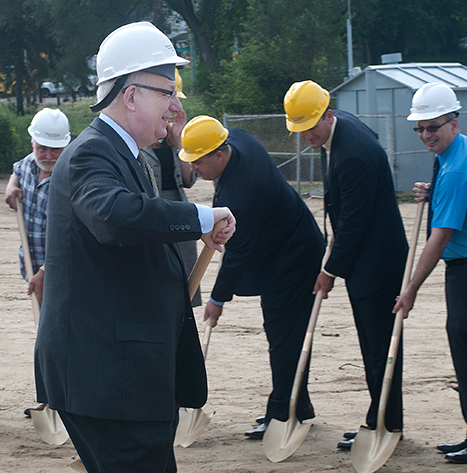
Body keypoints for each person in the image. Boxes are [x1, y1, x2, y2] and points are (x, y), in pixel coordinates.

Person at [33, 22, 235, 473]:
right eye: (167, 92)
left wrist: (189, 228)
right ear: (131, 95)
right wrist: (200, 217)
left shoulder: (124, 154)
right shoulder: (91, 153)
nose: (175, 106)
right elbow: (113, 216)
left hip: (122, 376)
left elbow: (134, 226)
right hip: (109, 380)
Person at [178, 115, 325, 439]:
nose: (195, 170)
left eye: (199, 162)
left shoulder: (242, 193)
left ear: (219, 155)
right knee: (284, 335)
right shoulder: (239, 139)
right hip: (286, 243)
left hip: (292, 259)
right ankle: (297, 407)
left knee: (284, 336)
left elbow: (237, 255)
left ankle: (282, 413)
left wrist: (217, 300)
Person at [283, 80, 408, 451]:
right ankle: (381, 418)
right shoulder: (341, 129)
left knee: (379, 346)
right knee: (373, 345)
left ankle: (386, 423)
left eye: (310, 126)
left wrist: (329, 271)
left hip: (378, 262)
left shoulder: (353, 152)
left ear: (327, 114)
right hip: (368, 257)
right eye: (300, 128)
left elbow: (354, 222)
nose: (306, 135)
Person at [393, 82, 467, 464]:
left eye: (434, 127)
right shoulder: (455, 153)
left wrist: (410, 289)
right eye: (420, 128)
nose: (427, 135)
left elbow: (441, 236)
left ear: (454, 123)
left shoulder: (458, 166)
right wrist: (434, 189)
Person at [4, 107, 70, 417]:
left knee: (57, 333)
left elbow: (72, 233)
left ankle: (61, 398)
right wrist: (11, 186)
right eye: (41, 146)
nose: (46, 154)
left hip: (60, 269)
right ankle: (47, 397)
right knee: (44, 332)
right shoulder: (27, 165)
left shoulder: (71, 174)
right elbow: (17, 169)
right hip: (30, 265)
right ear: (32, 142)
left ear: (66, 146)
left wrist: (45, 271)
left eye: (54, 149)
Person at [140, 70, 201, 307]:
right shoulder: (139, 140)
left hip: (177, 209)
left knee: (185, 281)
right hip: (154, 215)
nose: (174, 107)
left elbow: (188, 180)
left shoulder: (172, 138)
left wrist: (179, 140)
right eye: (169, 98)